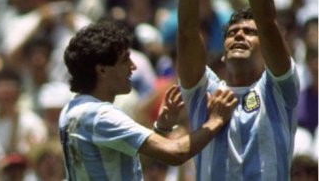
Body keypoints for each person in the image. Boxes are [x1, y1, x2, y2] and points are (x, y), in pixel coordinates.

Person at [177, 0, 301, 181]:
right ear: (222, 52)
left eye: (249, 32)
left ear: (266, 49)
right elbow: (186, 31)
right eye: (232, 33)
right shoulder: (203, 94)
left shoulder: (279, 90)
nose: (239, 36)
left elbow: (268, 21)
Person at [59, 19, 238, 180]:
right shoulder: (101, 115)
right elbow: (176, 153)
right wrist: (215, 121)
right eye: (124, 60)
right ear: (102, 70)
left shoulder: (70, 111)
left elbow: (135, 165)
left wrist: (161, 128)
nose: (133, 66)